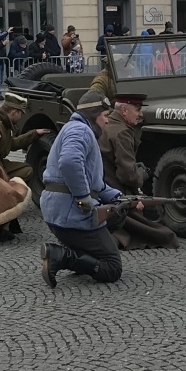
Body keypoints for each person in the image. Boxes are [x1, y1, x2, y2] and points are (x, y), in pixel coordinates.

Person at [39, 89, 133, 286]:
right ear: (94, 114)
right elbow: (70, 162)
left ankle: (73, 255)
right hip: (71, 215)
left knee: (118, 215)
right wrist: (83, 197)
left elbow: (96, 184)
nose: (107, 121)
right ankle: (61, 256)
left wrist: (122, 198)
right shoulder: (81, 130)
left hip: (58, 212)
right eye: (105, 116)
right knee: (112, 267)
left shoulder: (76, 128)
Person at [98, 92, 178, 250]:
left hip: (104, 190)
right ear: (124, 111)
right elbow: (127, 174)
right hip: (117, 195)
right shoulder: (122, 132)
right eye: (137, 109)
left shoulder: (109, 125)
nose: (141, 114)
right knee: (166, 236)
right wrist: (141, 175)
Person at [0, 91, 54, 180]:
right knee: (25, 172)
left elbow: (11, 144)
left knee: (27, 170)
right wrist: (4, 180)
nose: (21, 117)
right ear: (14, 112)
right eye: (21, 113)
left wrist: (34, 133)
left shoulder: (4, 122)